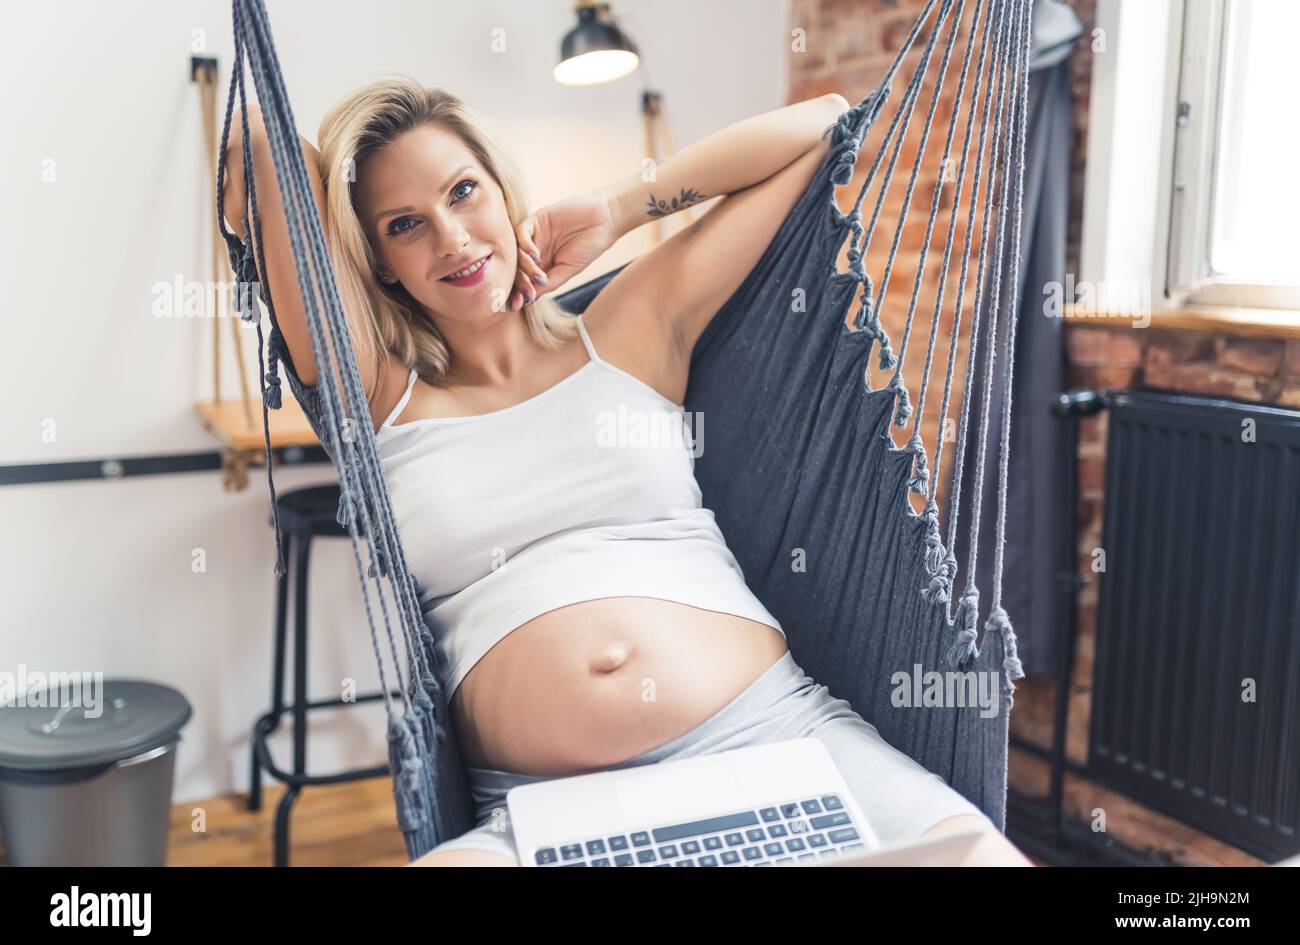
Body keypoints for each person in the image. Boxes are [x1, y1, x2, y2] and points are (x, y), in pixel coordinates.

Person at [221, 76, 1031, 867]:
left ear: (506, 193)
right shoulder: (378, 392)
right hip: (537, 803)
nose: (454, 239)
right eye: (406, 224)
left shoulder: (630, 326)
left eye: (465, 192)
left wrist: (616, 207)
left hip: (775, 732)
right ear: (381, 263)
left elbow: (821, 125)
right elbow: (256, 141)